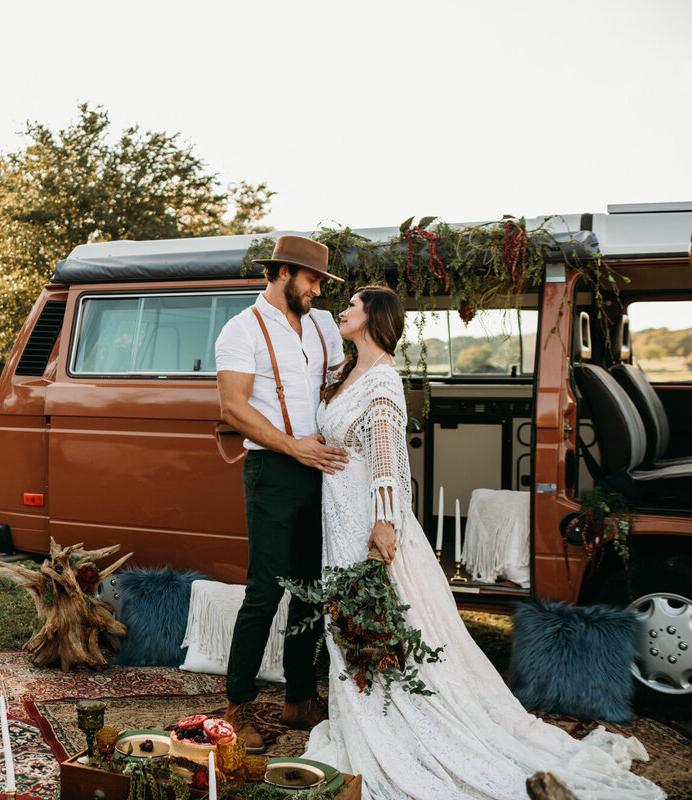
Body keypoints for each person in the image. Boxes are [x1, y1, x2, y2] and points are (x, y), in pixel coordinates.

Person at [301, 285, 664, 800]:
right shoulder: (346, 372)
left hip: (364, 518)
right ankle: (361, 709)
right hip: (338, 513)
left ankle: (397, 720)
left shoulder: (381, 382)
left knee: (378, 619)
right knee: (350, 618)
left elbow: (388, 465)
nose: (344, 309)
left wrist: (383, 525)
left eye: (353, 304)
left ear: (374, 316)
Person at [214, 234, 348, 754]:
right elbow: (233, 407)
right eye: (312, 279)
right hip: (272, 468)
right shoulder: (240, 330)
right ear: (284, 273)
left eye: (320, 282)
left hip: (321, 468)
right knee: (266, 590)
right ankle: (237, 705)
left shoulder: (323, 324)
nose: (316, 290)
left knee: (312, 586)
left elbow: (336, 384)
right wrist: (294, 447)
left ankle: (298, 697)